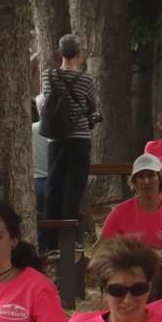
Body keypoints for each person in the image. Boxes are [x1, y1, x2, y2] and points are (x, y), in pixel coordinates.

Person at [40, 34, 98, 252]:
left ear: (59, 52)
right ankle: (68, 238)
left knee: (53, 186)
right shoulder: (86, 79)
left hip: (56, 139)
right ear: (80, 54)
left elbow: (47, 100)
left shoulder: (49, 75)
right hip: (79, 139)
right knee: (74, 189)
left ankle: (49, 241)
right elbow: (92, 106)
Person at [99, 154, 162, 256]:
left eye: (151, 175)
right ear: (135, 181)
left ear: (160, 179)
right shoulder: (119, 212)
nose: (146, 182)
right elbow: (101, 249)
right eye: (141, 176)